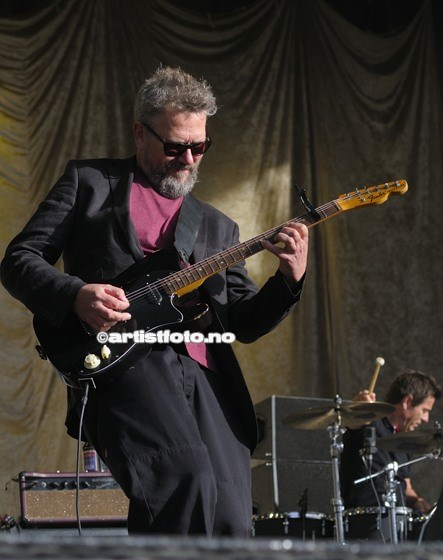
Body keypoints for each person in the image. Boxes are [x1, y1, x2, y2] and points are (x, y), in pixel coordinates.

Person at [0, 66, 309, 536]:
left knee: (230, 515)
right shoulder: (90, 182)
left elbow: (243, 321)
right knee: (184, 481)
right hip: (124, 361)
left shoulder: (217, 227)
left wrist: (289, 278)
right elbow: (20, 259)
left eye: (199, 148)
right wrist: (75, 294)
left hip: (205, 371)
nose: (188, 159)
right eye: (175, 147)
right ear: (140, 134)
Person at [340, 370, 441, 542]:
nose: (426, 418)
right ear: (407, 401)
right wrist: (358, 409)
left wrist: (418, 500)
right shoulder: (370, 425)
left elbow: (406, 486)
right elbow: (354, 423)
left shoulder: (404, 442)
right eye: (424, 410)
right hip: (364, 526)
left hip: (398, 525)